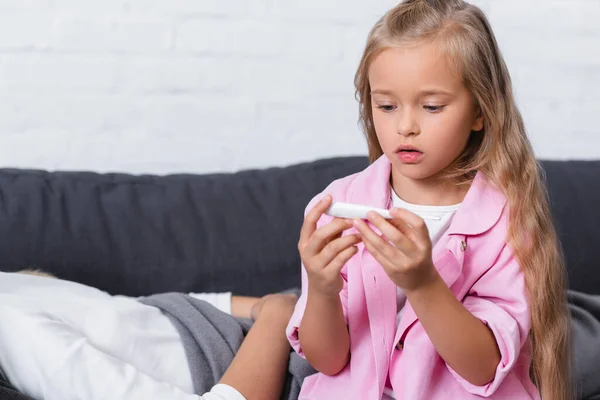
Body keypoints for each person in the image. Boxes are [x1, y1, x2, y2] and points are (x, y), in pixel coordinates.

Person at [286, 1, 571, 399]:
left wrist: (423, 284)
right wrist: (320, 288)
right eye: (386, 105)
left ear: (480, 110)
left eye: (432, 106)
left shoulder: (509, 220)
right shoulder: (339, 202)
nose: (405, 126)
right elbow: (328, 361)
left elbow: (483, 369)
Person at [0, 270, 299, 400]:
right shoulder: (18, 331)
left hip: (254, 329)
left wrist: (270, 305)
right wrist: (276, 317)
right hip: (266, 365)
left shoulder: (10, 289)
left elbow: (129, 314)